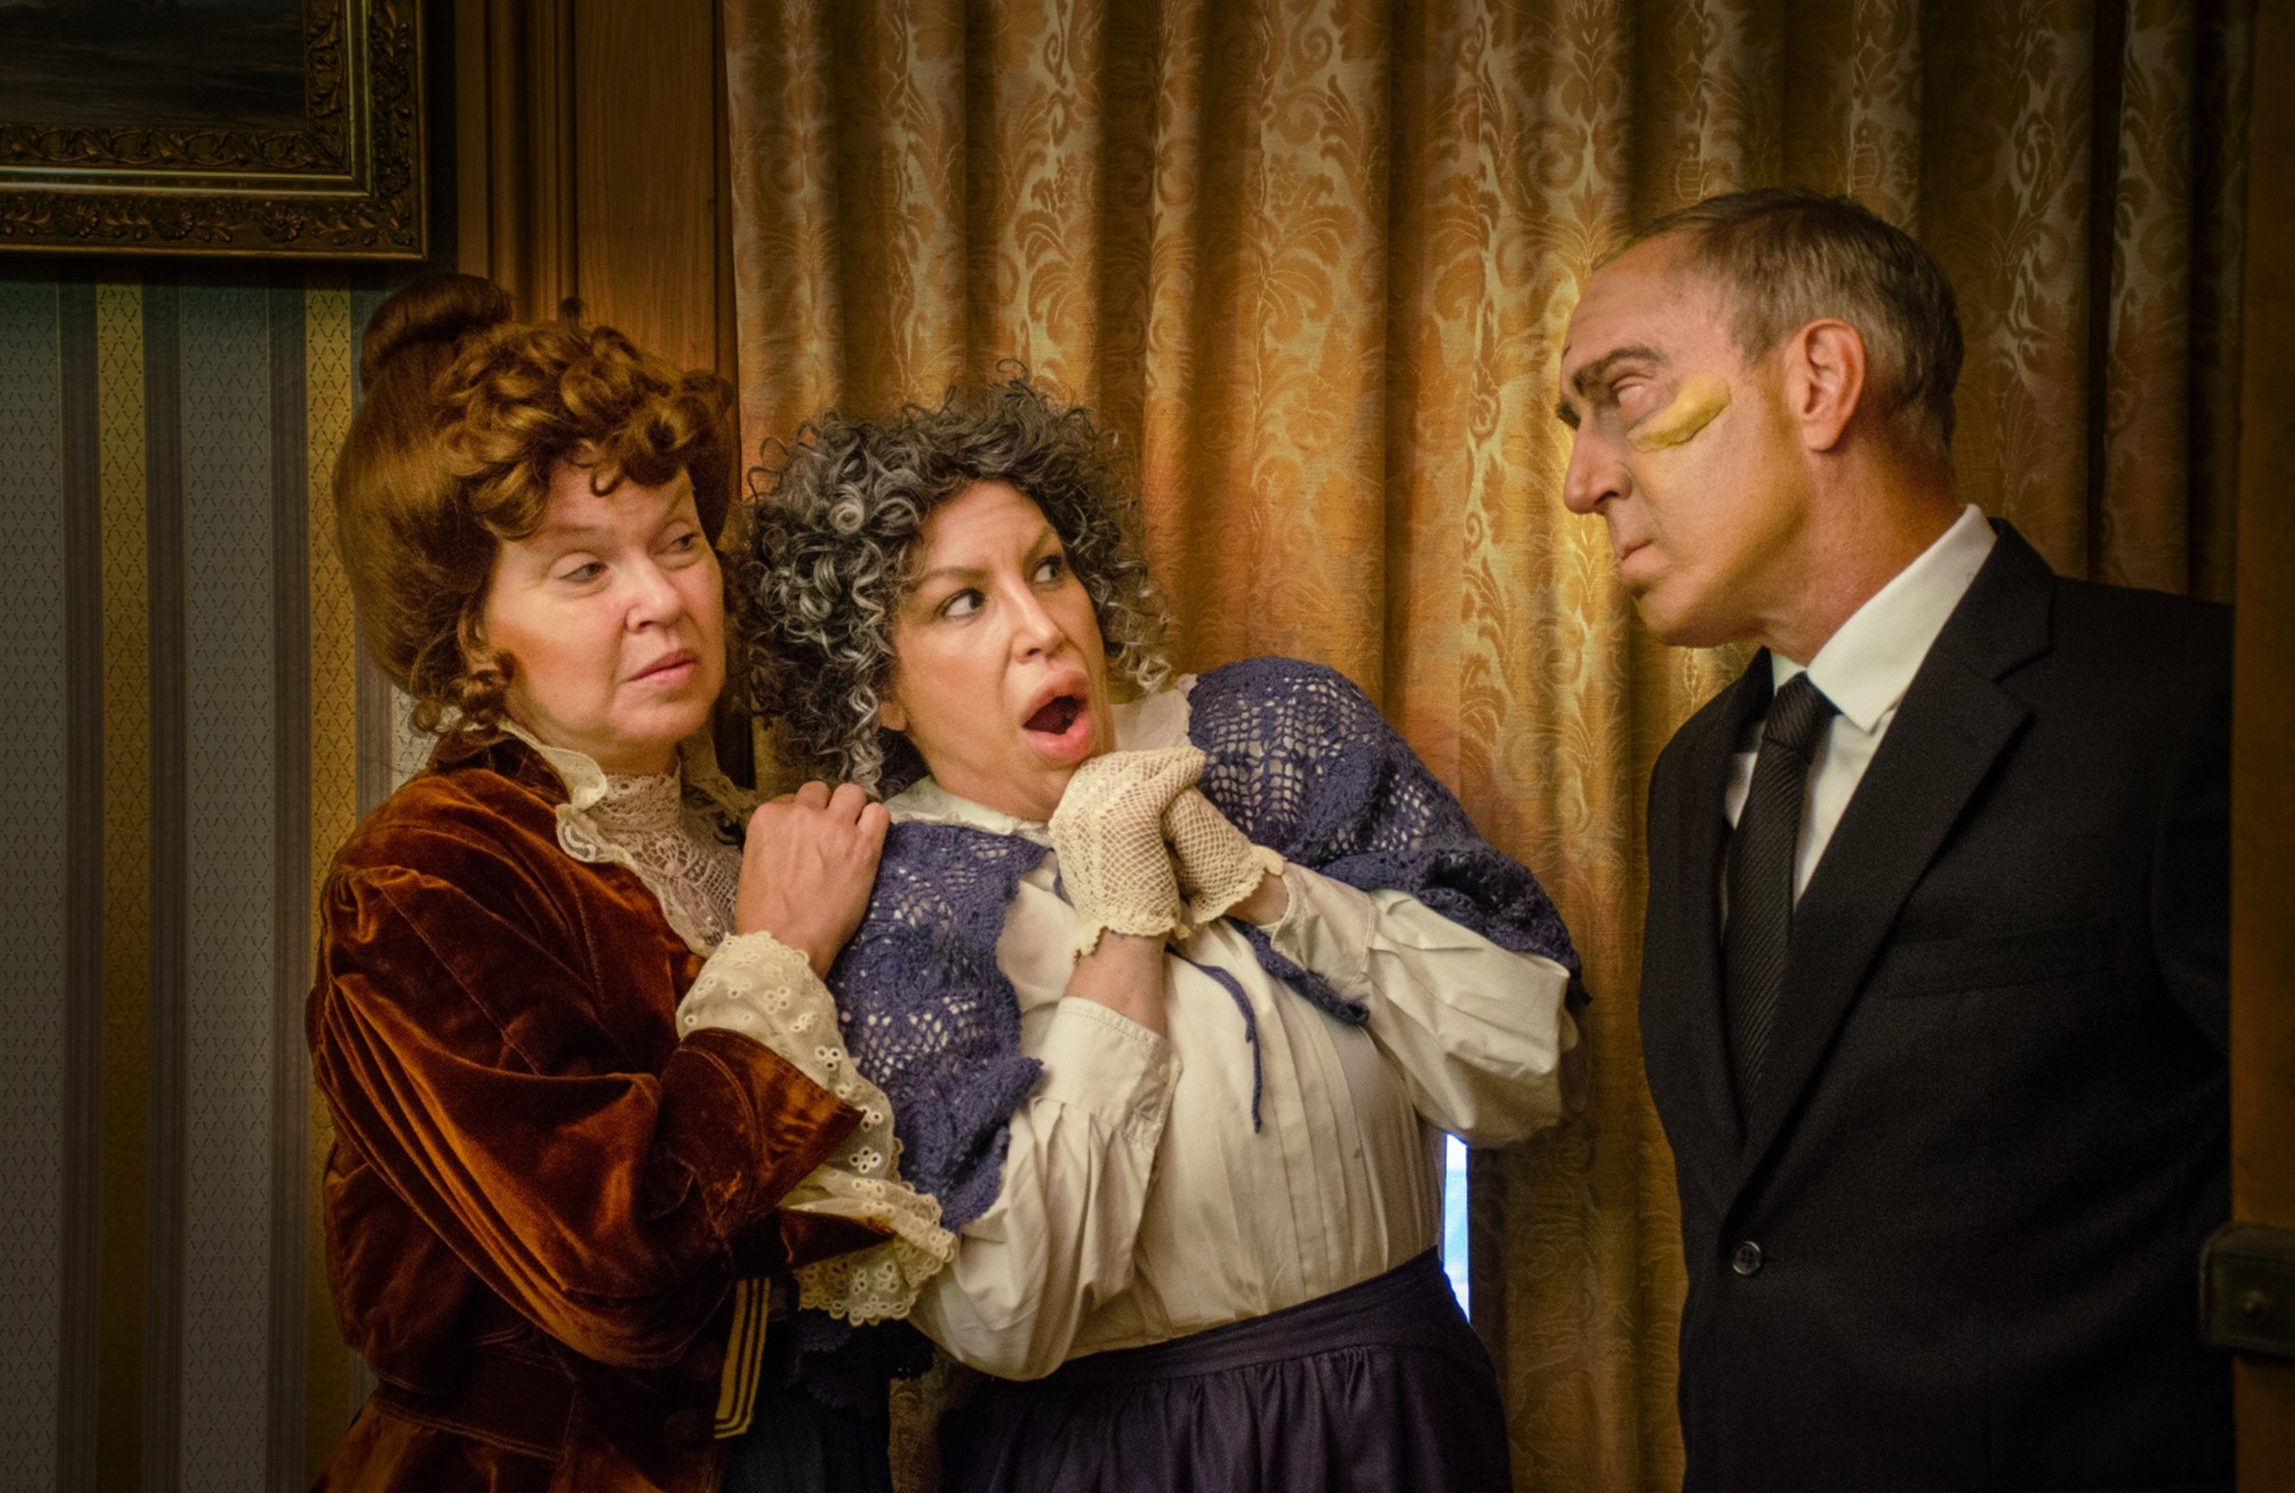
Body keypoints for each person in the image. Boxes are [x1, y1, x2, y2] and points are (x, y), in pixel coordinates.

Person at [691, 376, 1581, 1491]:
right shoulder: (899, 900)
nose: (1041, 624)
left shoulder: (1274, 735)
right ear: (880, 690)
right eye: (961, 601)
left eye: (1049, 567)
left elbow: (1525, 1068)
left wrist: (1266, 888)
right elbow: (1013, 1311)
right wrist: (1122, 922)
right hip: (1115, 1456)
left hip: (1402, 1419)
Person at [1555, 189, 2232, 1490]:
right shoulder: (1694, 777)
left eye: (1622, 395)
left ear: (1816, 379)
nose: (1581, 478)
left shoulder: (2186, 711)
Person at [309, 275, 952, 1493]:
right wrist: (777, 956)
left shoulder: (739, 830)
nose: (662, 599)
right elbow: (614, 1272)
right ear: (470, 636)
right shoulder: (426, 873)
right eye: (581, 570)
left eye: (678, 541)